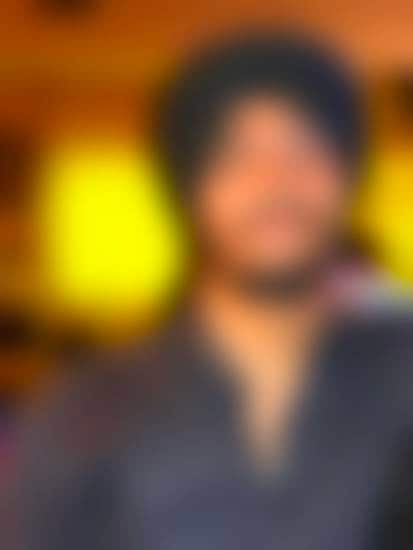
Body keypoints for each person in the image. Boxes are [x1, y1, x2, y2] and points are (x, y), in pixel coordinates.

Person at [11, 32, 413, 550]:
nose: (276, 181)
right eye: (236, 152)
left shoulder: (400, 380)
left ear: (347, 175)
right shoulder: (84, 414)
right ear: (188, 182)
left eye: (307, 148)